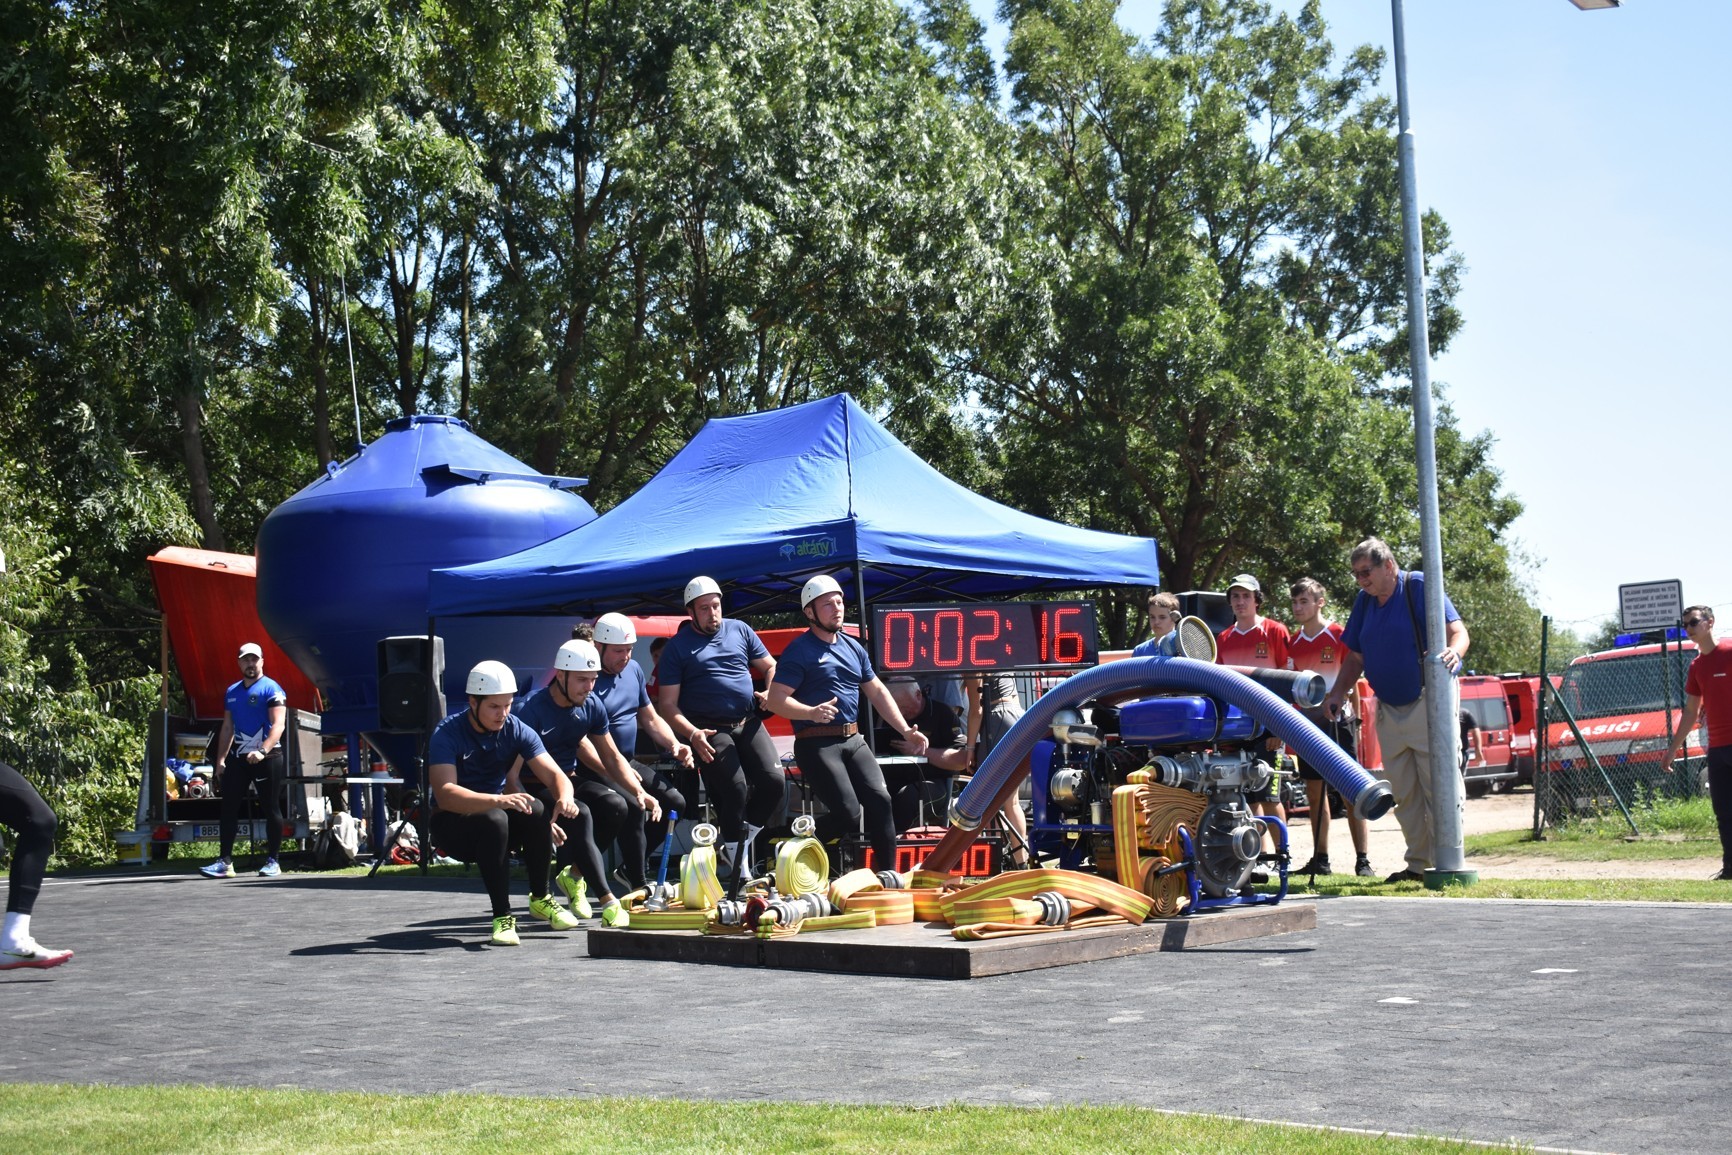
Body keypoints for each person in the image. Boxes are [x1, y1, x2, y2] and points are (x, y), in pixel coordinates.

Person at [1322, 537, 1470, 884]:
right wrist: (1337, 693)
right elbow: (1356, 657)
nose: (1361, 580)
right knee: (1403, 792)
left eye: (1366, 572)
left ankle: (1448, 864)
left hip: (1427, 700)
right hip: (1388, 707)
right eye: (1356, 574)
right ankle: (1418, 866)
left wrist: (1454, 652)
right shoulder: (1365, 601)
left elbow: (1458, 632)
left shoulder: (1416, 585)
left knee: (1440, 786)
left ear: (1388, 565)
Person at [766, 575, 927, 873]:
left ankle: (888, 876)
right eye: (827, 604)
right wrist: (810, 712)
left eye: (839, 602)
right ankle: (787, 847)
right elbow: (776, 700)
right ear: (810, 612)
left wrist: (905, 730)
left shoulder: (854, 648)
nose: (837, 608)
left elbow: (878, 692)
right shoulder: (799, 650)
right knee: (849, 814)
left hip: (853, 739)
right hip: (816, 742)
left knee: (881, 801)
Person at [426, 660, 583, 945]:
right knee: (497, 817)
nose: (503, 714)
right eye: (494, 707)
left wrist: (565, 798)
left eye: (508, 705)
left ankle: (541, 898)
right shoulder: (447, 732)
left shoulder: (515, 728)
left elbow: (555, 775)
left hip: (495, 816)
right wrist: (499, 800)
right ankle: (502, 916)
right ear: (473, 702)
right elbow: (446, 795)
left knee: (536, 809)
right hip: (452, 826)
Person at [516, 638, 659, 927]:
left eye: (593, 679)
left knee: (617, 804)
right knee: (581, 813)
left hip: (567, 780)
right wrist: (534, 814)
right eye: (582, 679)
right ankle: (608, 902)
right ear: (560, 675)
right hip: (531, 785)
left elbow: (612, 757)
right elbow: (510, 774)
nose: (589, 687)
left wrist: (639, 791)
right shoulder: (529, 709)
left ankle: (574, 876)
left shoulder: (591, 704)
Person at [656, 576, 782, 877]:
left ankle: (737, 843)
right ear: (690, 612)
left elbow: (771, 666)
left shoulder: (740, 629)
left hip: (747, 720)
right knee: (736, 788)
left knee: (775, 783)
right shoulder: (676, 648)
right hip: (709, 729)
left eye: (716, 606)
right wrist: (692, 734)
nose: (712, 613)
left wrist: (769, 690)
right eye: (704, 608)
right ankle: (738, 861)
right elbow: (667, 705)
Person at [1287, 577, 1372, 878]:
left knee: (1351, 791)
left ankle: (1363, 860)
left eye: (1304, 601)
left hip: (1339, 722)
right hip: (1308, 725)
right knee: (1314, 792)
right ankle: (1320, 859)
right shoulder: (1293, 642)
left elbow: (1354, 680)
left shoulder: (1338, 634)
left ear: (1319, 603)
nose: (1298, 607)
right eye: (1294, 602)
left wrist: (1356, 722)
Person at [592, 613, 693, 861]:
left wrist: (674, 744)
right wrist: (619, 771)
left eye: (629, 649)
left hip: (628, 761)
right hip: (596, 764)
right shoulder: (586, 678)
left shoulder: (634, 670)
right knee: (634, 805)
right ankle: (631, 872)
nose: (625, 656)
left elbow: (650, 718)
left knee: (675, 802)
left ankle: (631, 867)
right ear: (598, 646)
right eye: (618, 650)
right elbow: (581, 740)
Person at [200, 642, 289, 879]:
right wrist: (220, 760)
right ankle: (225, 862)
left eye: (254, 659)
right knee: (228, 807)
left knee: (270, 807)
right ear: (239, 663)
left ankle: (273, 861)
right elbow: (227, 727)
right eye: (246, 659)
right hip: (239, 758)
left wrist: (262, 750)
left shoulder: (272, 689)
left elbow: (279, 724)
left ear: (262, 662)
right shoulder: (232, 691)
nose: (250, 664)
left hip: (268, 757)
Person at [1216, 574, 1292, 838]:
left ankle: (1283, 854)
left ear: (1256, 600)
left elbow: (1288, 681)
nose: (1240, 601)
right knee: (1246, 799)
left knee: (1269, 797)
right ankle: (1259, 854)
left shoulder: (1275, 631)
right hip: (1237, 729)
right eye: (1235, 596)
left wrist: (1278, 729)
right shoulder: (1223, 638)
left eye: (1246, 596)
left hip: (1270, 726)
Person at [1667, 606, 1732, 879]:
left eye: (1693, 622)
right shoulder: (1697, 666)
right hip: (1717, 748)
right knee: (1724, 811)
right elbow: (1691, 712)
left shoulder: (1729, 652)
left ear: (1710, 622)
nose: (1689, 629)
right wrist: (1672, 750)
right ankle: (1730, 868)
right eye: (1685, 625)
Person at [874, 675, 969, 835]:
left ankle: (899, 843)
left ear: (918, 695)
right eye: (897, 709)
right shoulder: (889, 718)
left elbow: (961, 759)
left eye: (905, 708)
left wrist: (922, 751)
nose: (901, 713)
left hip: (938, 782)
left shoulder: (942, 714)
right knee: (873, 794)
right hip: (895, 778)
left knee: (907, 797)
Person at [964, 672, 1032, 867]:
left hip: (997, 718)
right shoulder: (999, 658)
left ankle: (994, 860)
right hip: (1019, 717)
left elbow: (976, 710)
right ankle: (1020, 861)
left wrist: (970, 748)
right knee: (1012, 801)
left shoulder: (972, 662)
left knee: (988, 798)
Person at [1131, 591, 1182, 657]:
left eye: (1162, 617)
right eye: (1152, 617)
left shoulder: (1185, 647)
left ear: (1174, 617)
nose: (1156, 622)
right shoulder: (1140, 651)